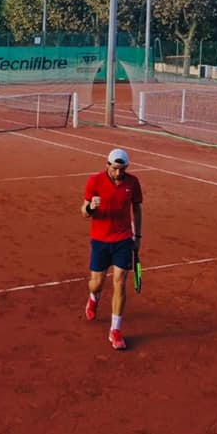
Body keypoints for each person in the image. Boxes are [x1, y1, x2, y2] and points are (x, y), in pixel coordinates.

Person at [81, 148, 143, 350]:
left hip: (123, 240)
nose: (118, 173)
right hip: (100, 241)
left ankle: (115, 330)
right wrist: (91, 207)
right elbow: (84, 212)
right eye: (115, 169)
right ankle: (93, 298)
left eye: (122, 169)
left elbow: (137, 209)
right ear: (107, 165)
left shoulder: (132, 183)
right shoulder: (94, 181)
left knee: (120, 282)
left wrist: (138, 236)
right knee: (96, 284)